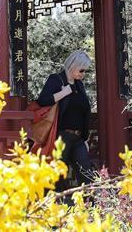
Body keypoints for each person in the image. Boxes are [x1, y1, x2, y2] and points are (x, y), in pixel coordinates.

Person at [36, 50, 95, 190]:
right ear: (73, 65)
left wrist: (85, 138)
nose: (83, 74)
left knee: (87, 174)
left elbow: (83, 112)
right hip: (60, 137)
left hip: (78, 138)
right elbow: (43, 101)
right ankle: (47, 207)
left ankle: (93, 207)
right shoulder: (56, 79)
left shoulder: (79, 85)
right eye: (81, 70)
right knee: (55, 176)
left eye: (85, 71)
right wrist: (63, 93)